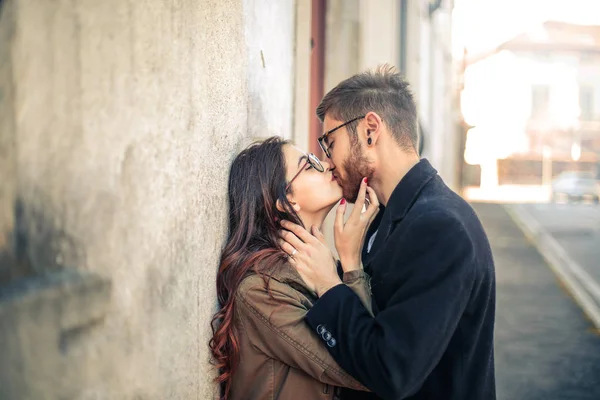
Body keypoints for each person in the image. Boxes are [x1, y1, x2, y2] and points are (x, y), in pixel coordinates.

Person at [279, 65, 497, 399]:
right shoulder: (388, 216)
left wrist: (329, 284)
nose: (328, 162)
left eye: (330, 142)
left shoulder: (441, 228)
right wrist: (351, 266)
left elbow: (392, 370)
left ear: (370, 131)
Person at [209, 137, 379, 399]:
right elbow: (367, 370)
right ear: (286, 200)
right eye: (309, 165)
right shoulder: (261, 291)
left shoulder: (321, 268)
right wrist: (351, 267)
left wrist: (345, 268)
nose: (326, 164)